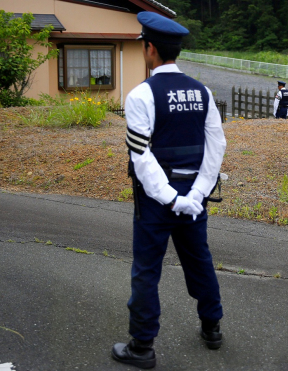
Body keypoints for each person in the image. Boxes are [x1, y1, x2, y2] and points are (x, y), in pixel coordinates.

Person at [111, 11, 227, 370]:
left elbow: (142, 156)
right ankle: (212, 330)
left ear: (150, 49)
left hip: (156, 202)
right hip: (194, 198)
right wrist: (195, 196)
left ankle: (142, 348)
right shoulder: (203, 92)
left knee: (147, 269)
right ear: (175, 51)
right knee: (199, 262)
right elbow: (216, 148)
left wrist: (170, 198)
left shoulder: (141, 95)